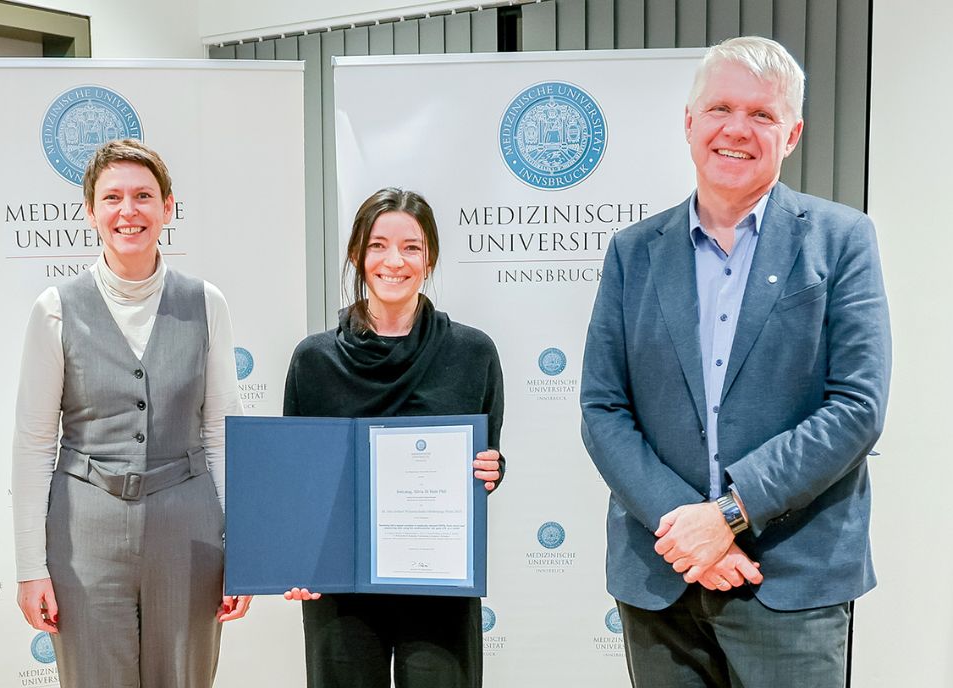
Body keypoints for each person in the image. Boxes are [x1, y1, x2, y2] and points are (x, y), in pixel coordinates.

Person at [579, 36, 892, 686]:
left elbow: (857, 407)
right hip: (661, 574)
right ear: (689, 122)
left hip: (791, 579)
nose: (737, 129)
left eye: (762, 114)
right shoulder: (633, 252)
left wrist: (727, 514)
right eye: (720, 108)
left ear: (792, 134)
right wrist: (684, 527)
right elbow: (603, 407)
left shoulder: (841, 240)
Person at [12, 139, 250, 687]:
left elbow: (221, 433)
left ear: (168, 207)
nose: (128, 211)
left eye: (143, 196)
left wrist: (243, 552)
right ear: (90, 211)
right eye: (112, 197)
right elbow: (33, 443)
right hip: (84, 536)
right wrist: (30, 567)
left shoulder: (206, 303)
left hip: (189, 533)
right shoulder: (54, 309)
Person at [281, 188, 505, 688]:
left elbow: (485, 456)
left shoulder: (472, 354)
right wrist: (294, 558)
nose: (394, 261)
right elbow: (297, 477)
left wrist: (491, 468)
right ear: (357, 255)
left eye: (411, 247)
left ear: (430, 259)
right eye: (378, 245)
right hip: (340, 585)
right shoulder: (314, 361)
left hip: (438, 581)